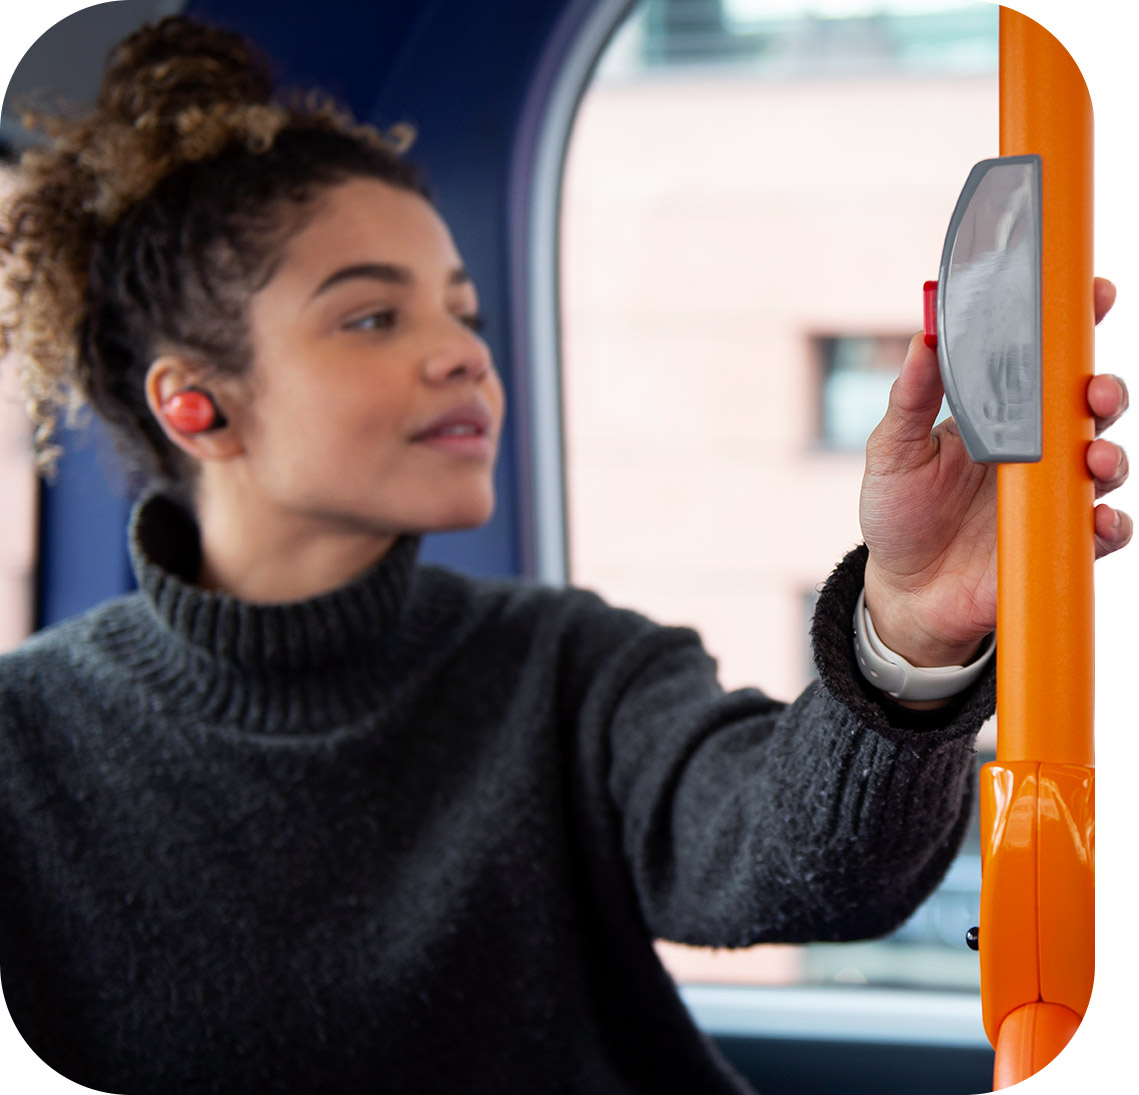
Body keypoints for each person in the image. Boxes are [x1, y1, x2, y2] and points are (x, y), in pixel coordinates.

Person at [0, 15, 1129, 1095]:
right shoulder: (28, 753)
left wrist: (908, 626)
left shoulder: (565, 668)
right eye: (371, 319)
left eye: (465, 313)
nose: (462, 359)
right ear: (194, 405)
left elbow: (815, 866)